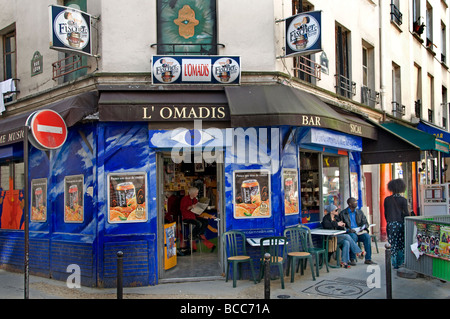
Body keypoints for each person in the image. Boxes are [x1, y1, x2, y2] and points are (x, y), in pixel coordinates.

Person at [322, 204, 362, 268]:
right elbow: (326, 225)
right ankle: (358, 251)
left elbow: (340, 228)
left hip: (337, 237)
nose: (337, 211)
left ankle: (344, 262)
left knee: (346, 242)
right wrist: (337, 224)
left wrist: (342, 225)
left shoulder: (336, 218)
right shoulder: (326, 218)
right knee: (347, 237)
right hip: (331, 238)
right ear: (331, 211)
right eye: (336, 210)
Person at [340, 197, 377, 265]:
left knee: (367, 237)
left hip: (359, 232)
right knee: (353, 236)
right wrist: (348, 230)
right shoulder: (343, 213)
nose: (356, 203)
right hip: (350, 233)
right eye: (354, 202)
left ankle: (368, 259)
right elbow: (340, 226)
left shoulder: (359, 212)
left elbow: (366, 223)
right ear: (350, 204)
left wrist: (362, 228)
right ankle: (352, 258)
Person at [180, 187, 216, 252]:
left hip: (194, 216)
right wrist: (191, 207)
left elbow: (196, 212)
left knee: (205, 221)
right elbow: (182, 209)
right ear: (192, 193)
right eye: (196, 193)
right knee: (198, 223)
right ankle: (192, 235)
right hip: (187, 217)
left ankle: (199, 234)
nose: (197, 194)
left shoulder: (195, 200)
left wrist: (203, 216)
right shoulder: (185, 199)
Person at [384, 178, 410, 269]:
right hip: (400, 224)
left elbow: (386, 213)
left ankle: (393, 263)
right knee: (400, 244)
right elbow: (406, 213)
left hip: (390, 224)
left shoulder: (387, 199)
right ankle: (400, 262)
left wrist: (389, 222)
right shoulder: (403, 200)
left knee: (392, 244)